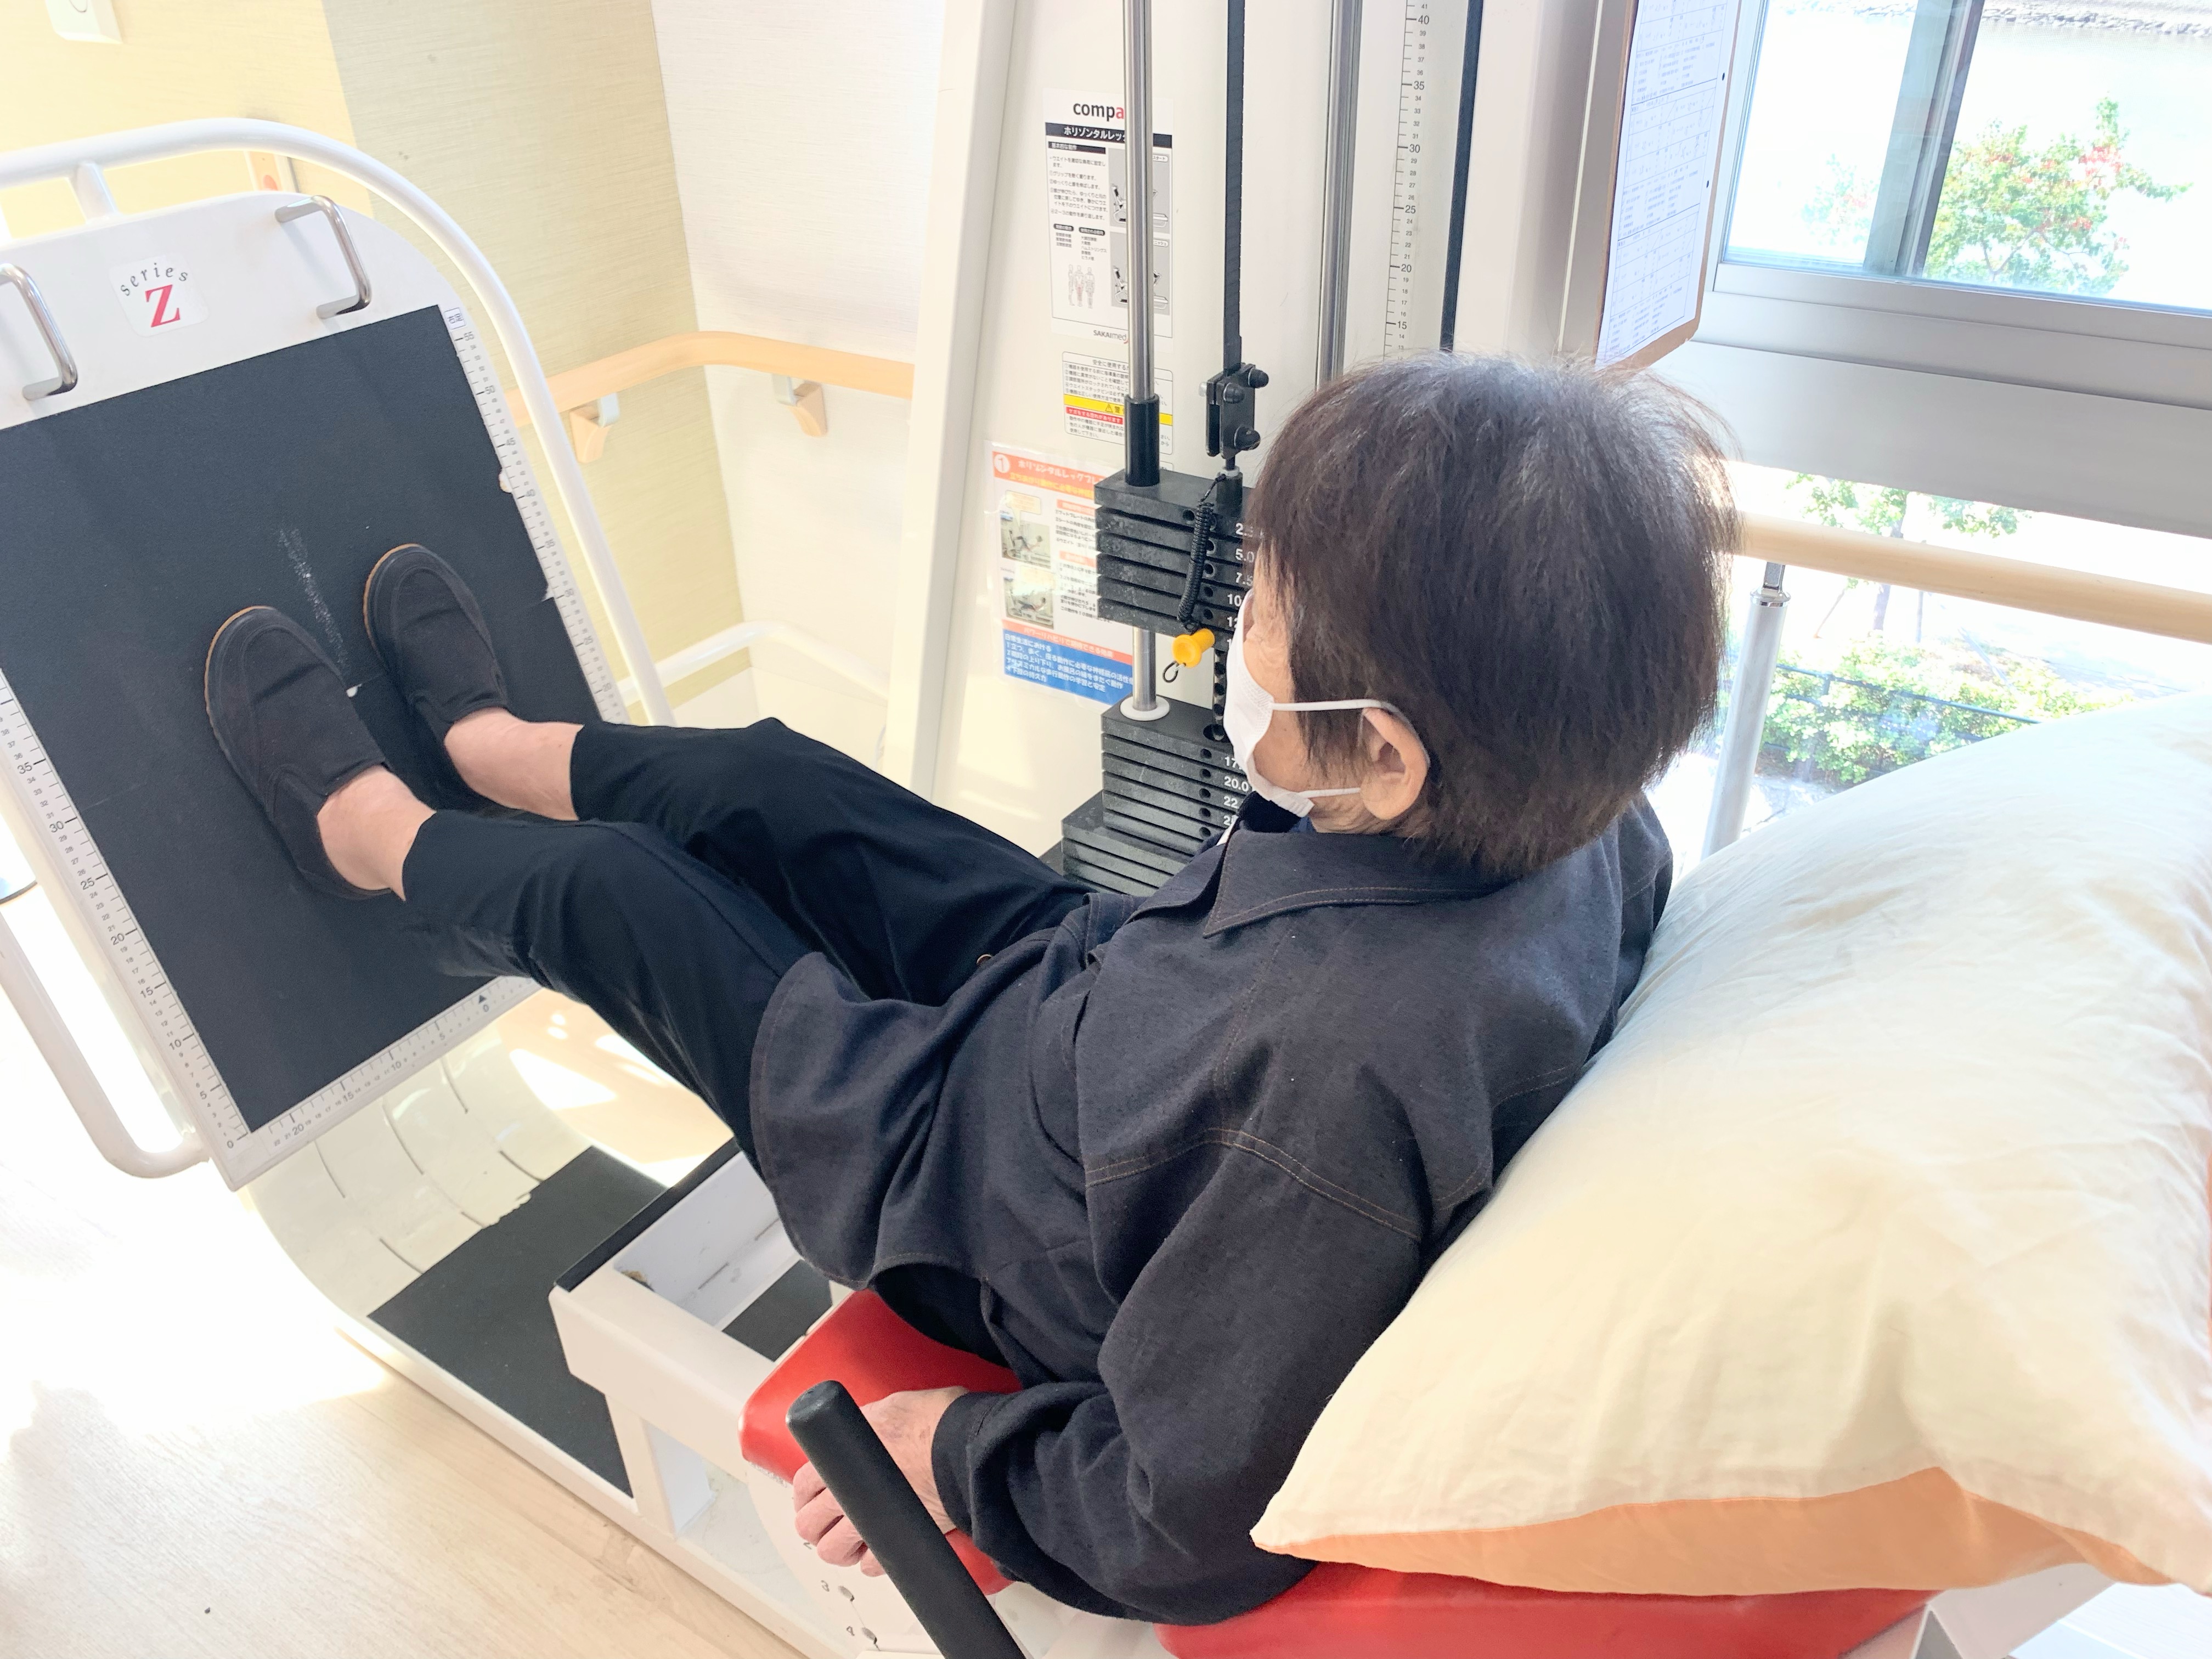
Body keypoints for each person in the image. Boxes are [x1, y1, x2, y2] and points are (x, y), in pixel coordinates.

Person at [201, 354, 1732, 1625]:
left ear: (1387, 758)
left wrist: (953, 1450)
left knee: (623, 897)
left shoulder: (1327, 1105)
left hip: (957, 1174)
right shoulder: (1590, 824)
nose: (1245, 627)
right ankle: (489, 751)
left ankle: (368, 838)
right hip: (1100, 999)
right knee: (780, 785)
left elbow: (1185, 1521)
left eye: (1265, 606)